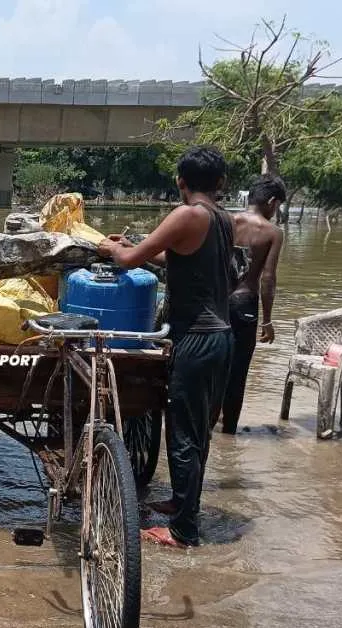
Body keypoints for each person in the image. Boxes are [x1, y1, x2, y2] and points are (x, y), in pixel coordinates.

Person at [97, 146, 236, 548]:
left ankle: (183, 531)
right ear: (222, 183)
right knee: (196, 431)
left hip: (196, 339)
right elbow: (174, 260)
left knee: (183, 434)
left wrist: (115, 250)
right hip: (220, 337)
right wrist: (135, 247)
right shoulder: (222, 219)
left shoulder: (187, 214)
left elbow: (125, 261)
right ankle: (181, 502)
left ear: (180, 181)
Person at [220, 175, 286, 434]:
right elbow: (268, 278)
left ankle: (208, 422)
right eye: (277, 205)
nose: (276, 210)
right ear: (271, 201)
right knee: (238, 375)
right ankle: (229, 432)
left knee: (215, 366)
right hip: (245, 304)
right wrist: (267, 320)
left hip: (218, 301)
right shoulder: (272, 233)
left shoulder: (227, 221)